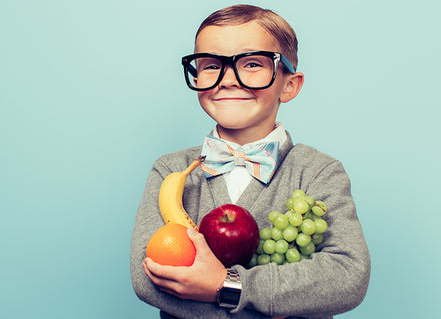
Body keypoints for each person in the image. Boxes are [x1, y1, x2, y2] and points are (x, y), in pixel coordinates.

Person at [130, 4, 370, 319]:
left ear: (289, 85)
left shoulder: (319, 171)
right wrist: (277, 302)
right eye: (211, 65)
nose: (227, 80)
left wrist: (226, 285)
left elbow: (347, 276)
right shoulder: (170, 171)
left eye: (252, 63)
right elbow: (147, 278)